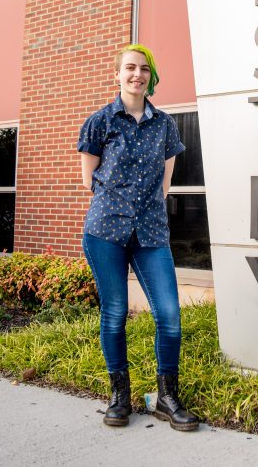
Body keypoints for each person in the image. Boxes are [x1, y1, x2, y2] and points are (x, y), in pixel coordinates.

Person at [77, 44, 200, 432]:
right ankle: (120, 396)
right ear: (117, 75)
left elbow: (165, 184)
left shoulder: (164, 125)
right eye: (130, 68)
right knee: (114, 315)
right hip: (105, 232)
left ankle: (167, 397)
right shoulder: (100, 122)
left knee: (170, 317)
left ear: (150, 76)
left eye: (144, 69)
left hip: (151, 233)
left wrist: (142, 209)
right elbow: (88, 180)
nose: (137, 74)